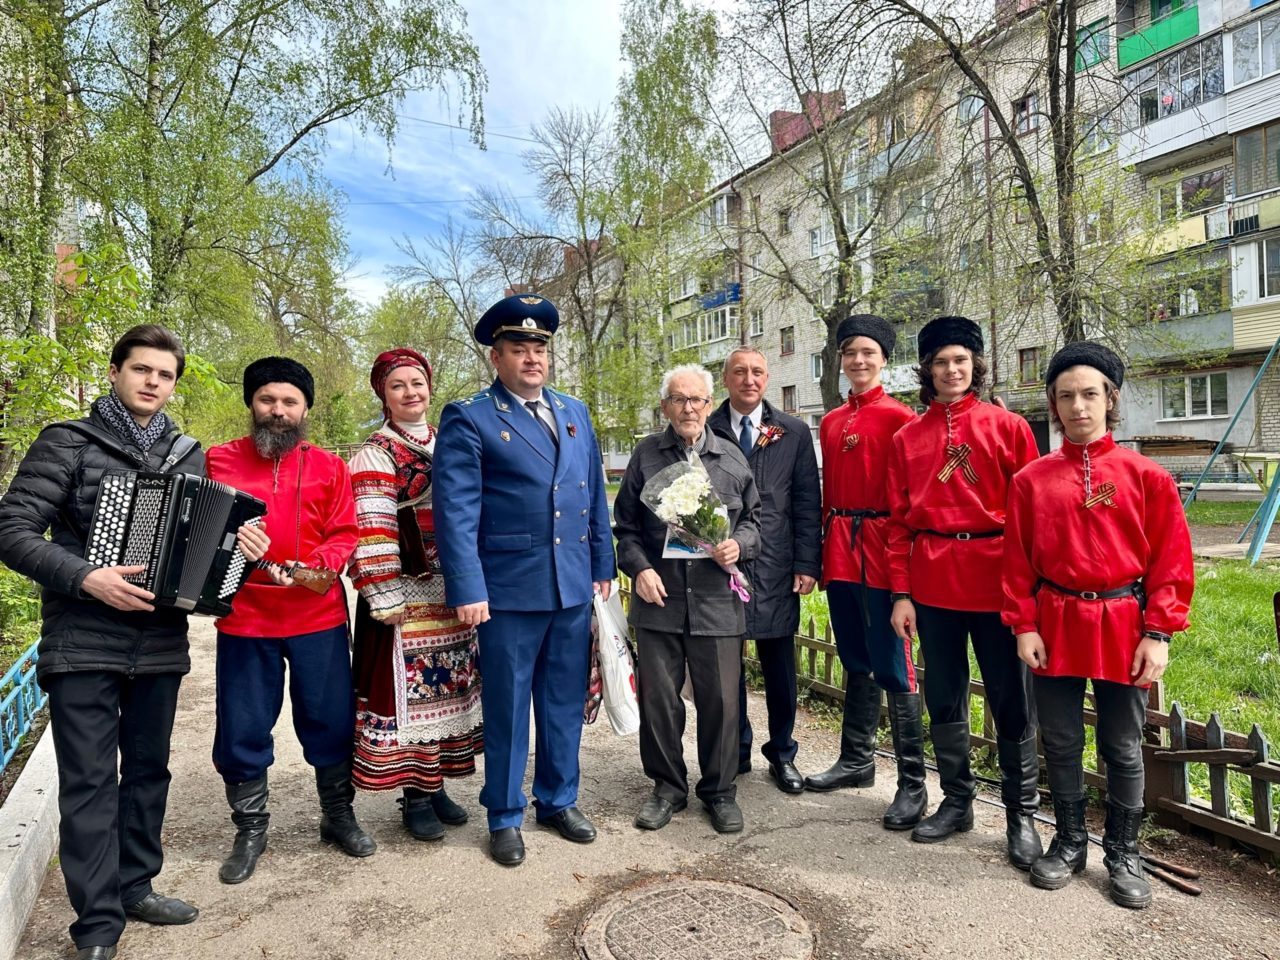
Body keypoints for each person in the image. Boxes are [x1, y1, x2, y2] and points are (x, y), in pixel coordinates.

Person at [0, 325, 267, 960]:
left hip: (158, 643)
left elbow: (206, 563)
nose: (153, 381)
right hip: (82, 637)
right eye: (141, 369)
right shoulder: (68, 441)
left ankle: (135, 887)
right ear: (116, 371)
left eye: (165, 374)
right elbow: (11, 529)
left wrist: (245, 554)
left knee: (149, 772)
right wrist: (86, 577)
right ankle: (96, 927)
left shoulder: (186, 454)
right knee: (90, 781)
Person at [1003, 342, 1193, 909]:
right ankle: (1068, 842)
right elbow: (1017, 562)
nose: (1078, 406)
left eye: (1090, 394)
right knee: (1059, 739)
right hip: (1056, 621)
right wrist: (1024, 625)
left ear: (1110, 400)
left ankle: (1123, 850)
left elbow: (1172, 562)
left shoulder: (1147, 477)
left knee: (1123, 745)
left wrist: (1158, 633)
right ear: (1053, 406)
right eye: (1066, 396)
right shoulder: (1031, 481)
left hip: (1123, 623)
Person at [433, 293, 615, 867]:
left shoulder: (574, 411)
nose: (532, 357)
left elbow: (592, 497)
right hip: (508, 589)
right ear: (496, 357)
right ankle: (504, 813)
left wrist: (603, 565)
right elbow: (455, 510)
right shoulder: (471, 417)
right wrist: (467, 585)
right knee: (510, 706)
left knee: (562, 700)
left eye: (540, 347)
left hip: (569, 583)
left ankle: (558, 799)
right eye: (519, 347)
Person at [205, 356, 374, 886]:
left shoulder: (329, 466)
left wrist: (316, 566)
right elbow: (199, 528)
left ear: (305, 410)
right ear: (252, 404)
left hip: (315, 614)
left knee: (329, 717)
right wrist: (232, 540)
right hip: (245, 618)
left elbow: (346, 532)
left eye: (289, 402)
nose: (278, 411)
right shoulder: (218, 461)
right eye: (267, 400)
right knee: (243, 724)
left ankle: (337, 815)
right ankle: (250, 827)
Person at [886, 315, 1043, 870]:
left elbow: (1032, 515)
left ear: (975, 364)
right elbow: (899, 521)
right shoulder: (907, 438)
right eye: (940, 362)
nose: (951, 370)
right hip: (932, 580)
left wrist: (1029, 592)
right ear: (926, 370)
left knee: (1009, 697)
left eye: (960, 360)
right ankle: (957, 801)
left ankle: (1021, 814)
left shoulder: (1009, 427)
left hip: (997, 576)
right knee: (944, 694)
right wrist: (901, 593)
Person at [615, 364, 762, 834]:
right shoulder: (645, 457)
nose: (689, 408)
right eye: (679, 400)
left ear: (708, 403)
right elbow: (625, 530)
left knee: (721, 701)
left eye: (697, 399)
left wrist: (739, 544)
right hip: (661, 600)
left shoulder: (731, 458)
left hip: (717, 601)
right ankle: (667, 788)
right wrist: (639, 569)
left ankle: (719, 791)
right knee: (660, 701)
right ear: (665, 407)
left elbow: (756, 523)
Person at [347, 348, 483, 841]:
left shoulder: (451, 440)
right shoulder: (375, 452)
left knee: (450, 689)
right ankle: (415, 795)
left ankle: (437, 782)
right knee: (411, 697)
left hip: (453, 587)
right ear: (384, 394)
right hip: (404, 592)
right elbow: (371, 527)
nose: (411, 392)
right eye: (398, 385)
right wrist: (383, 593)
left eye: (417, 383)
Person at [809, 314, 927, 831]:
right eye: (850, 352)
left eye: (868, 352)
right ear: (841, 359)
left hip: (883, 547)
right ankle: (856, 761)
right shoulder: (833, 421)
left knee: (893, 663)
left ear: (884, 359)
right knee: (854, 653)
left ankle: (913, 783)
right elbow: (828, 492)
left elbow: (910, 496)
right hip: (840, 546)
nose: (859, 361)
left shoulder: (901, 417)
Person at [707, 347, 820, 793]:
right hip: (721, 563)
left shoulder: (790, 432)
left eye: (756, 372)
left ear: (768, 378)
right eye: (739, 371)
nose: (748, 379)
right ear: (726, 379)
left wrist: (807, 562)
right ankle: (735, 751)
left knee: (779, 667)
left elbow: (807, 502)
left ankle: (783, 752)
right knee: (725, 667)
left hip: (776, 563)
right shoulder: (707, 428)